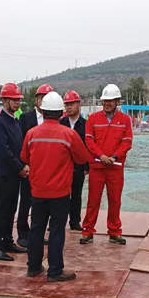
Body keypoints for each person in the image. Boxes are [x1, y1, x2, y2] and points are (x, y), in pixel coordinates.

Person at [21, 92, 89, 282]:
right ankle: (55, 270)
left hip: (37, 191)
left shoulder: (32, 134)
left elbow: (24, 157)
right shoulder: (69, 134)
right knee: (57, 230)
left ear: (43, 111)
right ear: (61, 113)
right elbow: (82, 158)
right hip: (60, 192)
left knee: (36, 228)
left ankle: (33, 267)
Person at [81, 84, 132, 245]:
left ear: (117, 101)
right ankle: (87, 231)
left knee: (115, 201)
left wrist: (114, 156)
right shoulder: (93, 119)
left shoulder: (125, 120)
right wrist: (101, 156)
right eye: (105, 101)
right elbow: (89, 140)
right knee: (93, 200)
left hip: (115, 168)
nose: (107, 103)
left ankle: (114, 232)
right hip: (97, 167)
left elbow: (127, 142)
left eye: (110, 101)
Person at [0, 83, 28, 261]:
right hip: (5, 173)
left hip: (14, 173)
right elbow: (3, 150)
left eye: (18, 100)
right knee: (2, 211)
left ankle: (7, 241)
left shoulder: (15, 121)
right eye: (14, 100)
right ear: (4, 101)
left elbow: (19, 147)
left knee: (11, 209)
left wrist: (23, 165)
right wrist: (19, 167)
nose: (17, 103)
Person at [17, 83, 53, 247]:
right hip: (29, 167)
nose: (43, 101)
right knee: (26, 202)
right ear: (36, 100)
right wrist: (23, 164)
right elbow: (21, 142)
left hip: (47, 168)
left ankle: (38, 233)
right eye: (41, 98)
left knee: (43, 204)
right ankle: (23, 234)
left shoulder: (55, 119)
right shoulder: (26, 118)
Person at [59, 90, 89, 231]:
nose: (69, 107)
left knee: (76, 194)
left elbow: (88, 147)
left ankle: (75, 221)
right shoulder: (60, 123)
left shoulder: (86, 125)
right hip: (62, 165)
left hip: (79, 165)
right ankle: (58, 220)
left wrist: (86, 167)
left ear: (79, 104)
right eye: (67, 104)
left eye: (72, 104)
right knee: (60, 194)